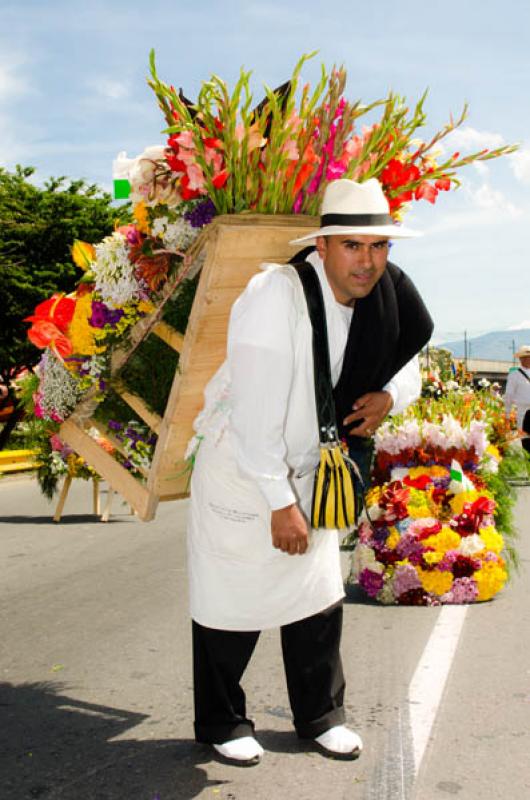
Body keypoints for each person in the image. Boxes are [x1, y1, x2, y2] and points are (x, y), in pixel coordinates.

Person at [186, 178, 434, 766]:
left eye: (378, 248)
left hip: (319, 469)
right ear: (321, 246)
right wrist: (278, 500)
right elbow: (252, 415)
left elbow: (413, 356)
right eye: (351, 245)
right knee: (232, 597)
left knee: (318, 595)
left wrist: (390, 396)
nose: (366, 261)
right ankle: (223, 721)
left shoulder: (388, 293)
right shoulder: (276, 296)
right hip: (246, 467)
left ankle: (320, 715)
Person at [504, 345, 530, 454]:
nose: (528, 359)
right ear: (520, 359)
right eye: (525, 357)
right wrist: (507, 415)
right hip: (523, 412)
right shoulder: (514, 375)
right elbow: (509, 395)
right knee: (526, 440)